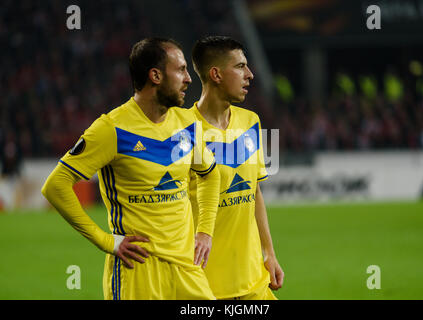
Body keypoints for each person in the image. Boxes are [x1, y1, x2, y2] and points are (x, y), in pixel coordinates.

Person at [41, 37, 220, 300]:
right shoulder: (111, 128)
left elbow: (210, 174)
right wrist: (106, 241)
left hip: (187, 269)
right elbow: (55, 186)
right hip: (136, 271)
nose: (189, 79)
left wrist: (204, 231)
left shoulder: (188, 124)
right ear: (156, 76)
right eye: (180, 70)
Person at [189, 36, 284, 300]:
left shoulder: (250, 121)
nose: (250, 75)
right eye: (241, 67)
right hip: (205, 286)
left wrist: (269, 253)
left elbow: (254, 192)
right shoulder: (182, 130)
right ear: (216, 74)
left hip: (254, 280)